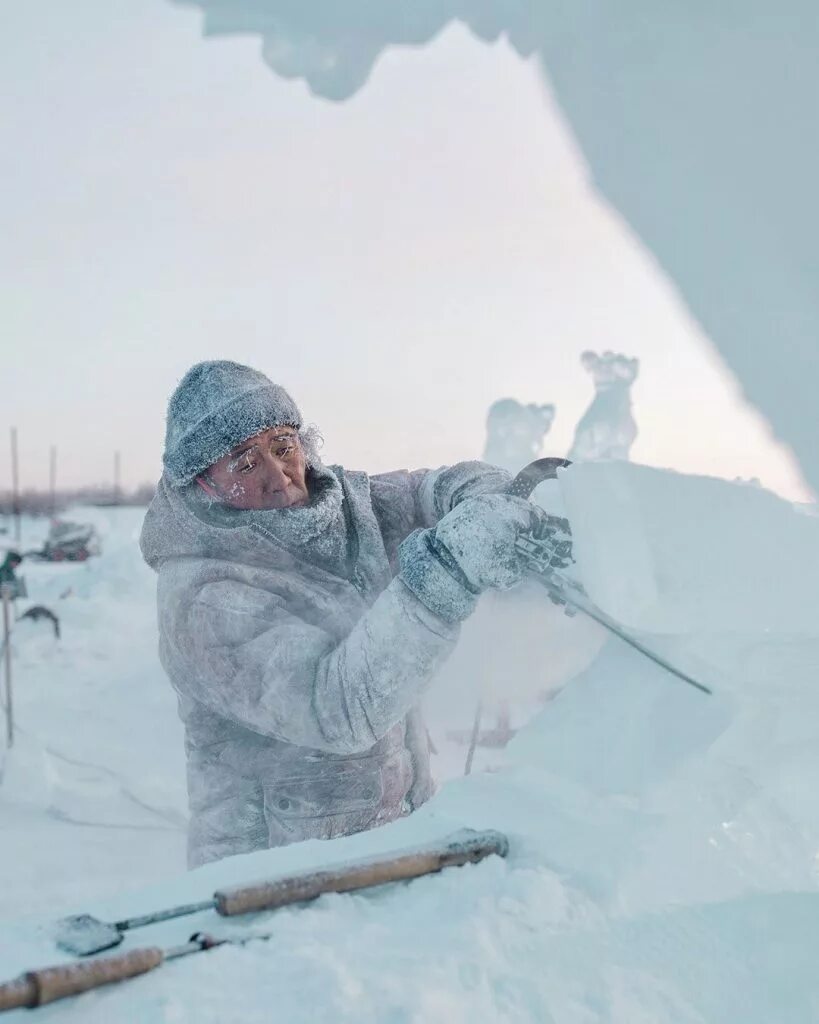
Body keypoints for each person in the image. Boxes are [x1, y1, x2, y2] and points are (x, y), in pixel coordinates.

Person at [140, 360, 570, 867]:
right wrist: (448, 570)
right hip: (272, 886)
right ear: (203, 484)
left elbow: (434, 489)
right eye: (245, 464)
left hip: (395, 847)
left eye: (283, 447)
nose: (280, 477)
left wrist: (492, 503)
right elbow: (338, 708)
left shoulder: (347, 505)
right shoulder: (202, 596)